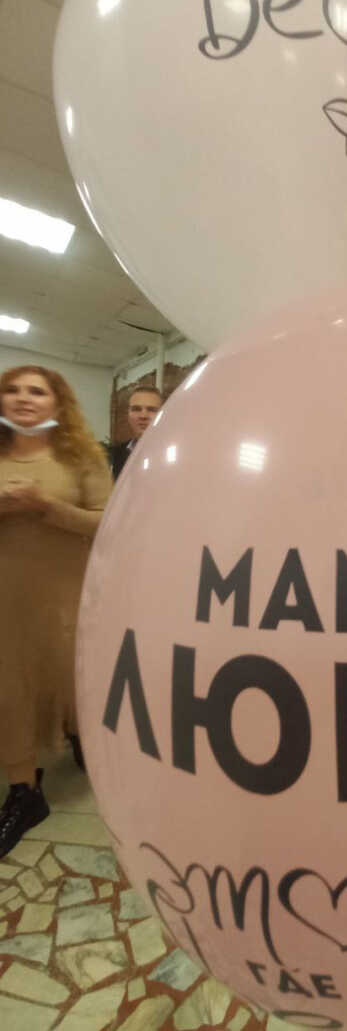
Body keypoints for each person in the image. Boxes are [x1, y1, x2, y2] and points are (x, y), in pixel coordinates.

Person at [0, 365, 112, 858]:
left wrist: (44, 505)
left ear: (57, 402)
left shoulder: (82, 457)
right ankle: (24, 792)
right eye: (12, 390)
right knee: (10, 685)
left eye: (36, 391)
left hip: (67, 590)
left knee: (70, 673)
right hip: (6, 595)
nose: (23, 398)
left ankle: (77, 732)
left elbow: (107, 522)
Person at [110, 384, 163, 480]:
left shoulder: (175, 453)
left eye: (151, 410)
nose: (143, 416)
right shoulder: (117, 454)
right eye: (136, 409)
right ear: (128, 414)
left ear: (163, 414)